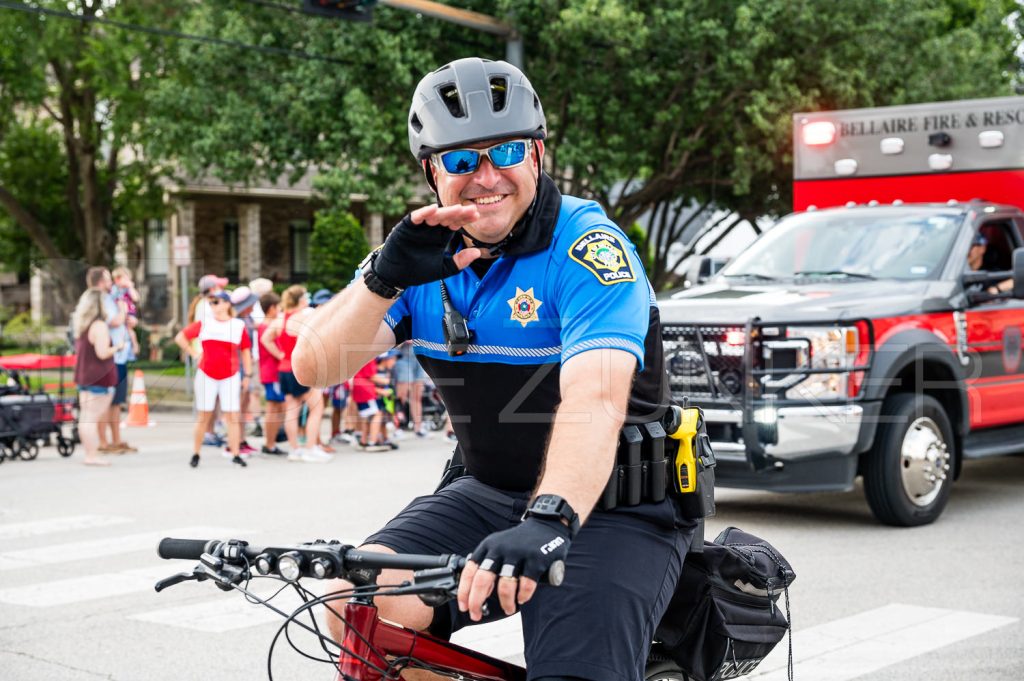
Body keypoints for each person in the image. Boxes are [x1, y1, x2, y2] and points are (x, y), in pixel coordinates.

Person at [293, 57, 695, 680]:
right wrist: (383, 278)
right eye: (459, 160)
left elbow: (594, 400)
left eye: (504, 151)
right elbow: (312, 365)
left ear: (537, 154)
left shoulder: (588, 248)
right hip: (487, 493)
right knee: (354, 600)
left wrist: (549, 519)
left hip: (610, 509)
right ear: (431, 172)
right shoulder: (420, 253)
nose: (485, 176)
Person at [174, 290, 253, 468]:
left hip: (230, 374)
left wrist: (247, 374)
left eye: (217, 302)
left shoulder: (238, 325)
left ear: (227, 304)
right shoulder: (204, 324)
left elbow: (246, 351)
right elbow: (180, 337)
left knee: (232, 415)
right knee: (204, 415)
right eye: (211, 303)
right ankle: (196, 452)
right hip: (207, 374)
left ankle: (235, 453)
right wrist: (194, 353)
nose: (214, 306)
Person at [261, 285, 332, 463]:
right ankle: (310, 448)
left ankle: (295, 450)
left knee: (291, 411)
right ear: (301, 300)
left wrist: (280, 354)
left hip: (284, 369)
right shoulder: (305, 316)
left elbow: (265, 339)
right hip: (300, 369)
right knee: (317, 407)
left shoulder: (280, 320)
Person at [71, 288, 124, 466]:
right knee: (92, 418)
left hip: (84, 376)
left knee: (86, 417)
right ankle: (92, 455)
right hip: (99, 377)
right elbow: (102, 353)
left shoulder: (82, 326)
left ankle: (89, 453)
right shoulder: (99, 326)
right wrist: (118, 347)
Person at [230, 286, 261, 456]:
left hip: (247, 366)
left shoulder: (247, 318)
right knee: (238, 406)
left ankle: (241, 440)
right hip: (240, 368)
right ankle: (234, 442)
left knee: (244, 405)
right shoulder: (238, 322)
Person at [256, 291, 286, 455]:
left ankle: (272, 441)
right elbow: (271, 345)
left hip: (271, 372)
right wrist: (281, 355)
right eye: (278, 306)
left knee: (275, 408)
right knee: (273, 408)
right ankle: (269, 443)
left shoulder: (267, 325)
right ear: (271, 308)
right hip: (272, 372)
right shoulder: (266, 326)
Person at [393, 340, 429, 436]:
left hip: (419, 355)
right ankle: (398, 427)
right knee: (401, 395)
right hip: (403, 356)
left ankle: (418, 428)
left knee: (417, 396)